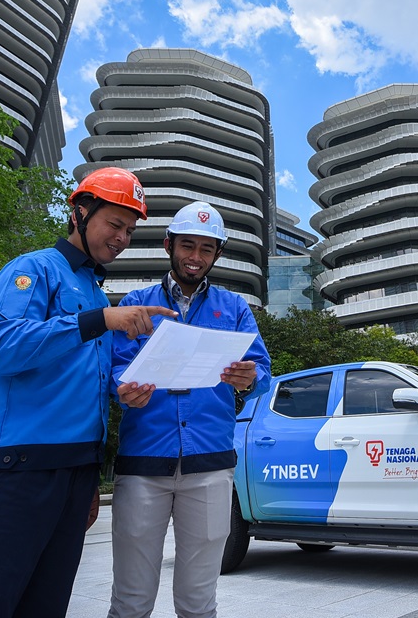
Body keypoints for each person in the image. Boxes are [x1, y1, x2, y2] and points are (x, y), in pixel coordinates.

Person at [0, 167, 178, 618]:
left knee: (43, 605)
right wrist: (100, 321)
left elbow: (82, 384)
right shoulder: (33, 269)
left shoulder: (96, 294)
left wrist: (124, 394)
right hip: (12, 469)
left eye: (130, 230)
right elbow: (2, 349)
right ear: (80, 213)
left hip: (73, 473)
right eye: (114, 225)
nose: (122, 238)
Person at [107, 200, 271, 618]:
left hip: (210, 465)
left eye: (206, 249)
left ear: (217, 254)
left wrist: (247, 377)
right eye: (187, 246)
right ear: (168, 245)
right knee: (130, 597)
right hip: (144, 460)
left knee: (200, 599)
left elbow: (263, 373)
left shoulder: (234, 309)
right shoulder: (137, 303)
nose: (195, 257)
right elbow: (113, 369)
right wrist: (121, 388)